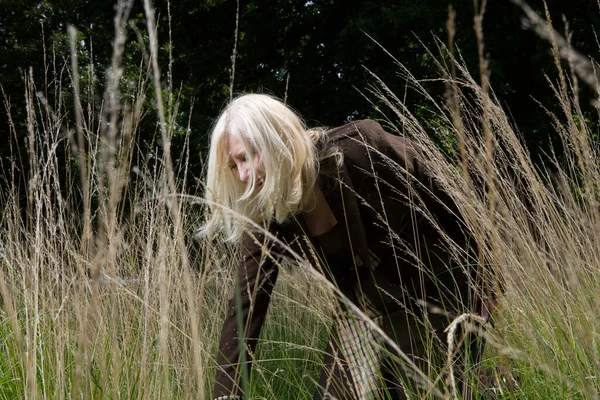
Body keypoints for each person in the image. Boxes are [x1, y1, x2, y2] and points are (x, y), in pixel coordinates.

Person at [202, 93, 484, 399]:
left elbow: (450, 206)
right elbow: (247, 301)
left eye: (248, 156)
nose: (243, 175)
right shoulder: (270, 210)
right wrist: (227, 395)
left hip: (436, 291)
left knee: (437, 390)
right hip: (362, 308)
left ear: (278, 139)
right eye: (234, 164)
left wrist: (486, 290)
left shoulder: (363, 148)